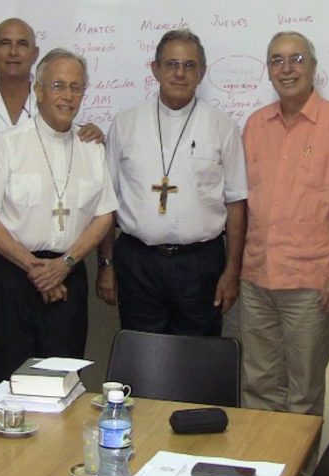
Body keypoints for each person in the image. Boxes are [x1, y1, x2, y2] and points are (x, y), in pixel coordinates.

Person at [0, 48, 116, 392]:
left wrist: (64, 264)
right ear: (39, 90)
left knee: (61, 382)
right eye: (59, 85)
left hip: (66, 277)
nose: (68, 96)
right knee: (6, 384)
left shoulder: (91, 147)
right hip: (9, 276)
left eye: (76, 87)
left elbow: (103, 215)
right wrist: (35, 268)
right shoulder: (10, 144)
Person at [240, 31, 329, 420]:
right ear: (268, 70)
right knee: (258, 388)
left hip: (313, 287)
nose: (287, 68)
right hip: (257, 281)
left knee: (302, 394)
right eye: (277, 60)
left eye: (296, 59)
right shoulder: (255, 125)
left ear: (313, 68)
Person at [96, 29, 247, 336]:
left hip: (201, 264)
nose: (180, 73)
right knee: (142, 357)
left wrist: (232, 271)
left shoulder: (223, 126)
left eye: (189, 65)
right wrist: (106, 264)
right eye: (172, 64)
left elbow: (236, 203)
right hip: (138, 262)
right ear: (155, 69)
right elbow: (106, 202)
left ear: (202, 72)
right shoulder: (125, 124)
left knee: (198, 359)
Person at [0, 18, 103, 151]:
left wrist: (91, 135)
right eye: (5, 43)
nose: (13, 52)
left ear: (35, 53)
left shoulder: (53, 102)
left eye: (22, 44)